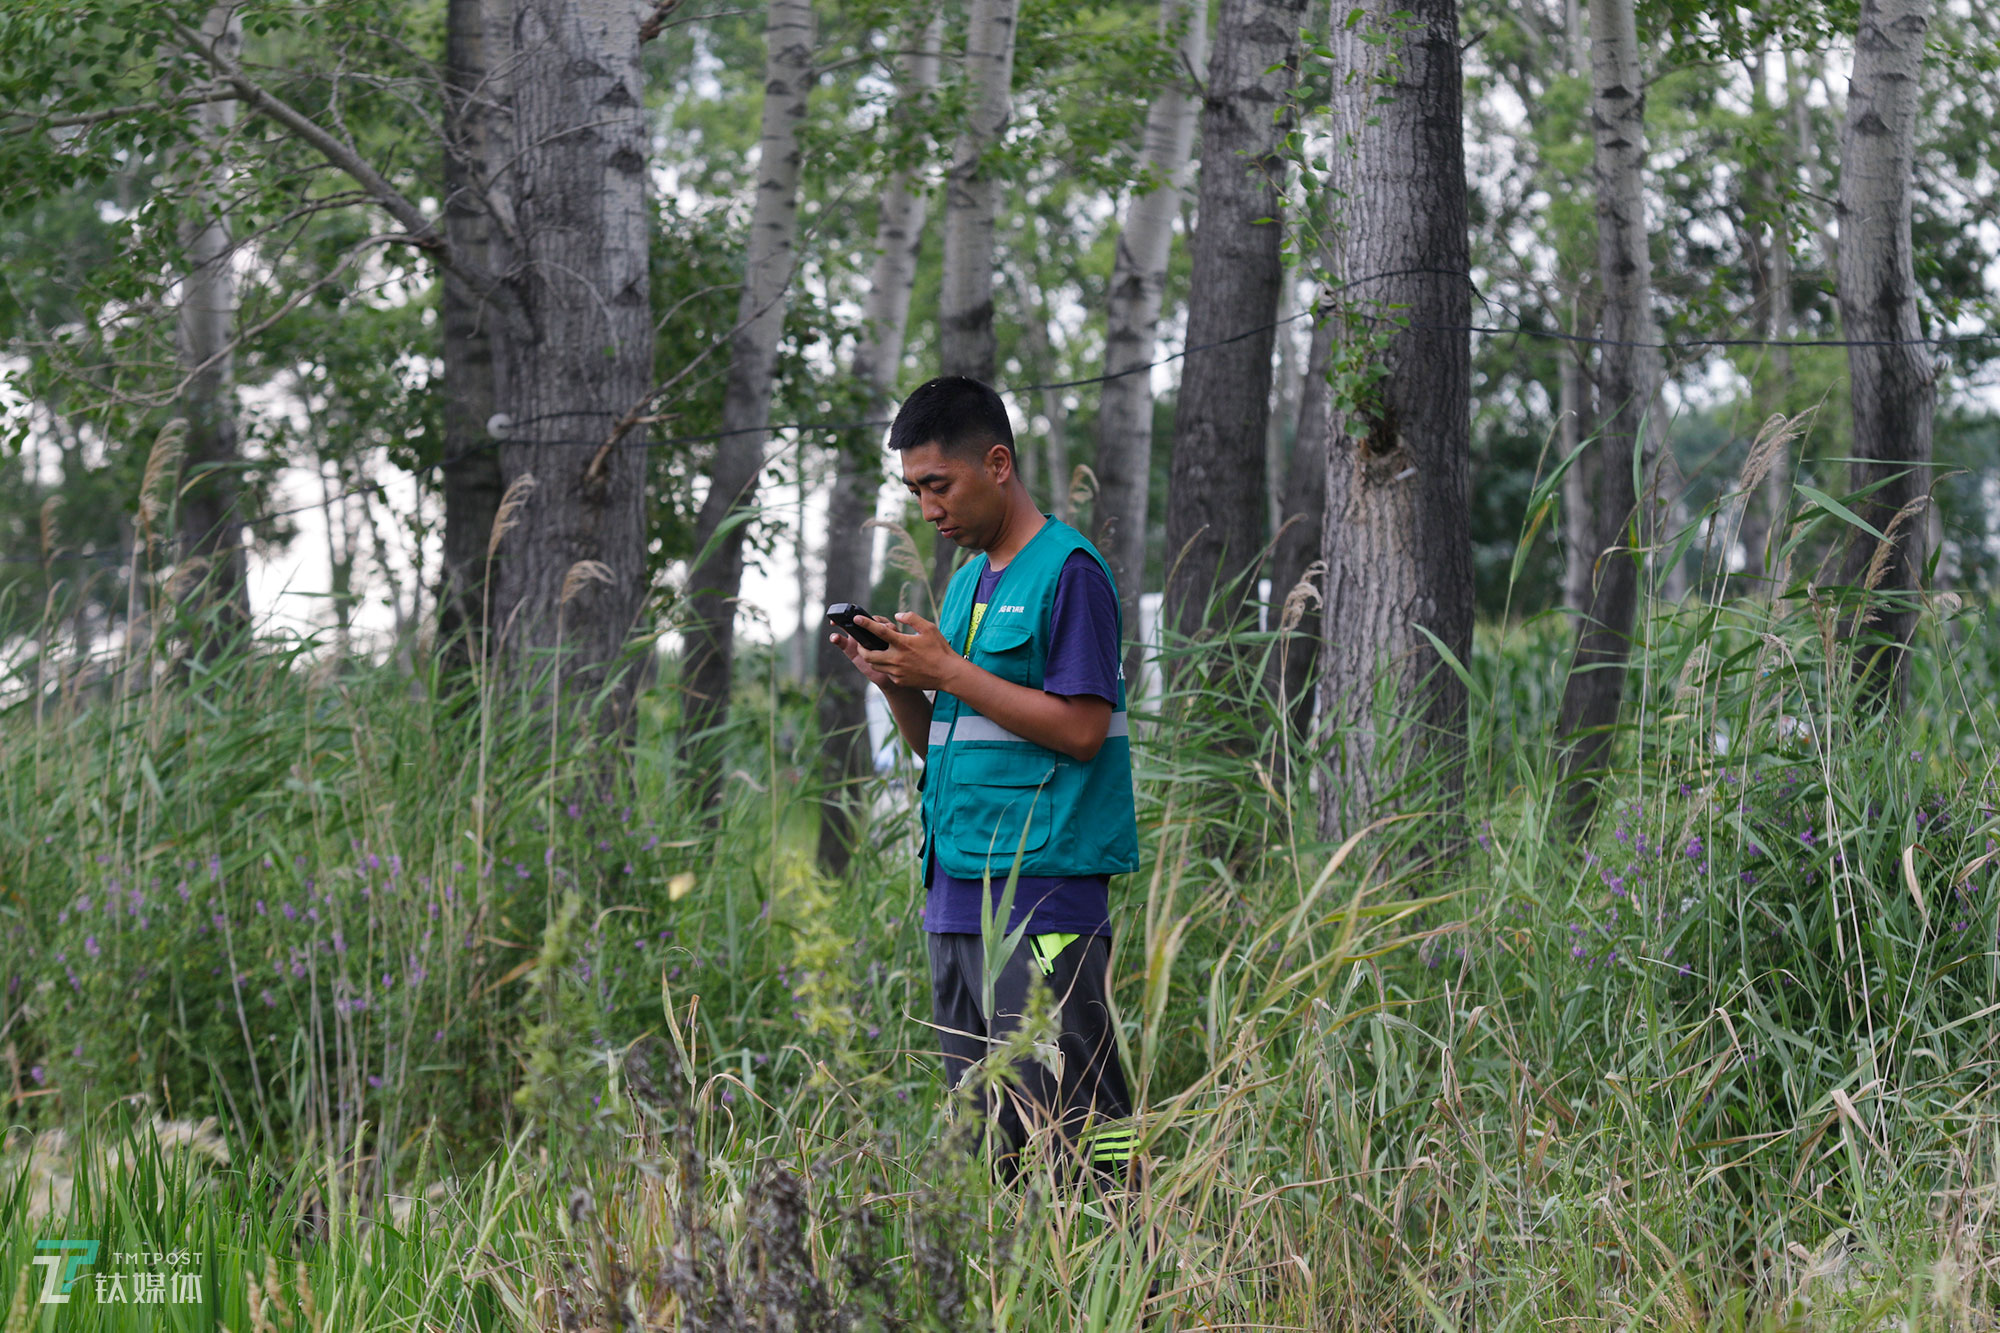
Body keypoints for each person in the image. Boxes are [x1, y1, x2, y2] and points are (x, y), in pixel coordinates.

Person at [826, 375, 1141, 1184]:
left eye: (939, 484)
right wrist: (897, 679)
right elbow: (952, 749)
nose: (928, 508)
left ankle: (1121, 1293)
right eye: (914, 490)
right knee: (992, 1154)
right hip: (959, 898)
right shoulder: (967, 582)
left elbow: (1079, 730)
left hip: (1043, 901)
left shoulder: (1069, 571)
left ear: (997, 463)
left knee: (1074, 1141)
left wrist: (952, 670)